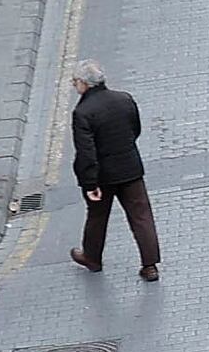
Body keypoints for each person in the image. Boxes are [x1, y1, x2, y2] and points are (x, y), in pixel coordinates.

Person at [62, 63, 158, 281]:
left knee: (97, 217)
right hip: (130, 169)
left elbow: (86, 153)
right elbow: (135, 129)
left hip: (102, 176)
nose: (74, 86)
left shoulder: (82, 113)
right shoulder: (124, 99)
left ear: (84, 84)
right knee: (141, 216)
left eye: (75, 82)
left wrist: (89, 184)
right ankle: (150, 265)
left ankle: (92, 258)